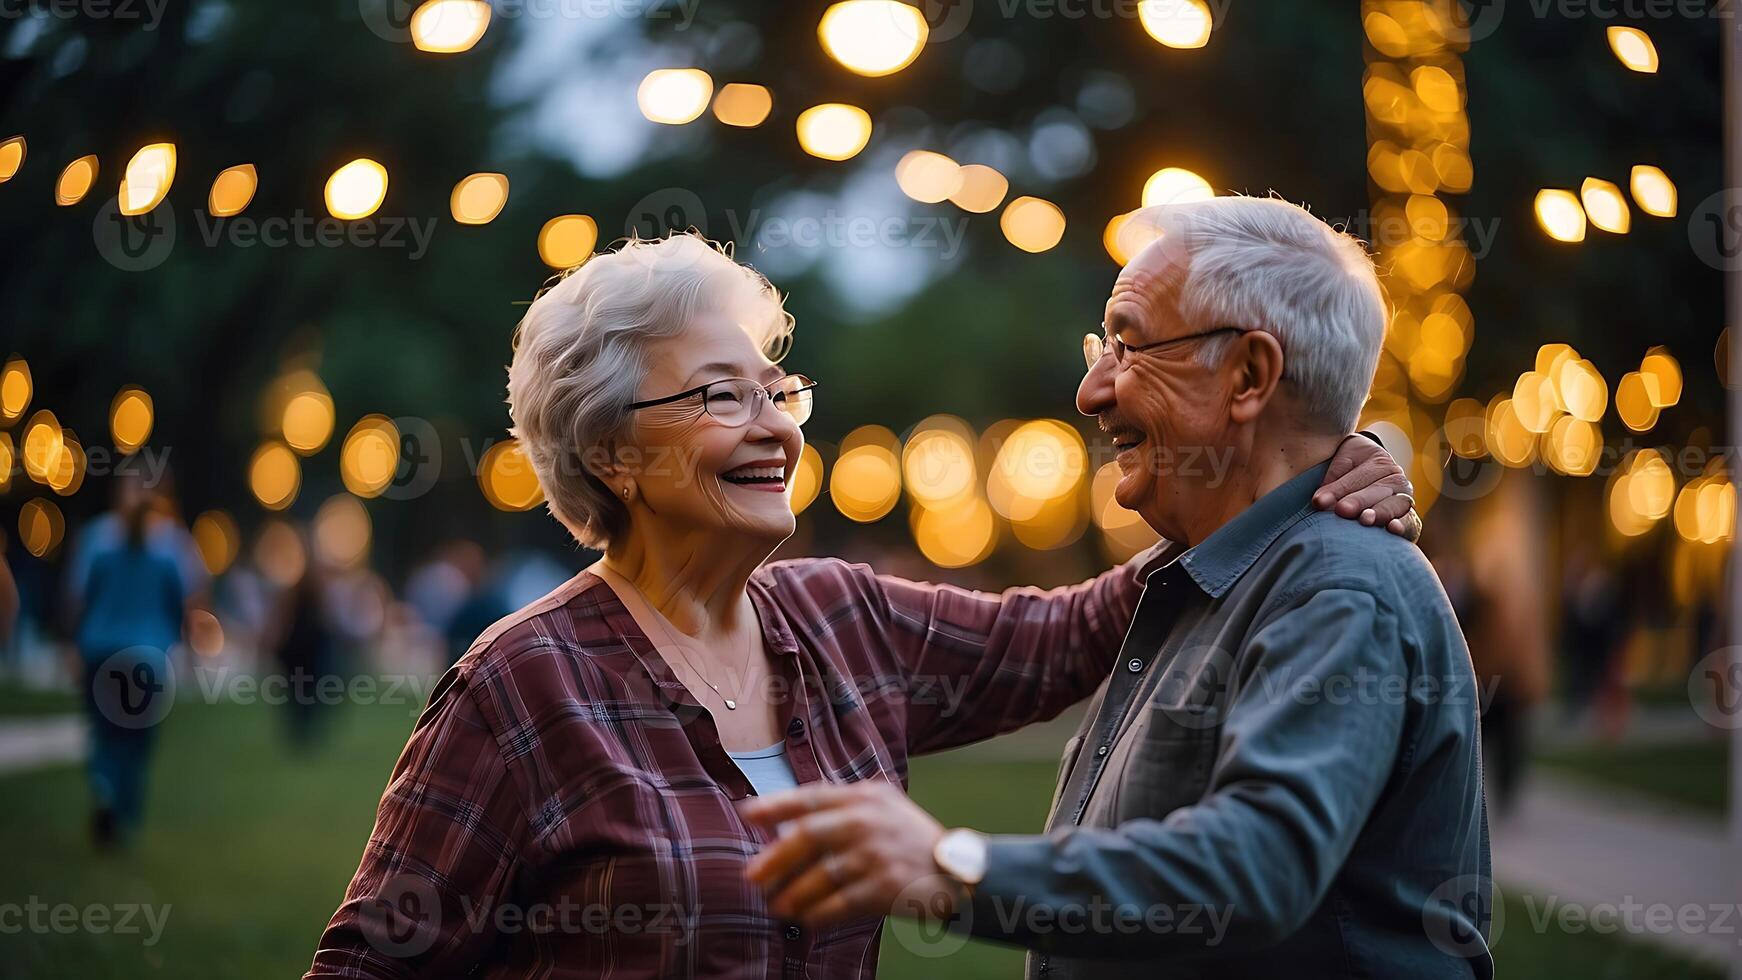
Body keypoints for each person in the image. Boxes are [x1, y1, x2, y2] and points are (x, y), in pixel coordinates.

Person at [304, 232, 1419, 979]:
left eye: (774, 391)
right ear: (609, 452)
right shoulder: (521, 683)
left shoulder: (840, 621)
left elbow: (1085, 624)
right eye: (717, 396)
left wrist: (1310, 461)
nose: (773, 426)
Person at [740, 199, 1491, 977]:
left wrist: (948, 863)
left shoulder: (1337, 587)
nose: (1091, 391)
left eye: (1128, 346)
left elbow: (1256, 865)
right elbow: (1052, 635)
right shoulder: (1206, 575)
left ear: (1250, 376)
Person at [66, 466, 207, 849]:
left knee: (102, 732)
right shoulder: (172, 544)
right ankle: (123, 810)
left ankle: (103, 787)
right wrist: (192, 653)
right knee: (136, 739)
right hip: (146, 657)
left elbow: (78, 599)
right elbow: (188, 603)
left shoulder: (96, 537)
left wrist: (72, 647)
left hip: (100, 650)